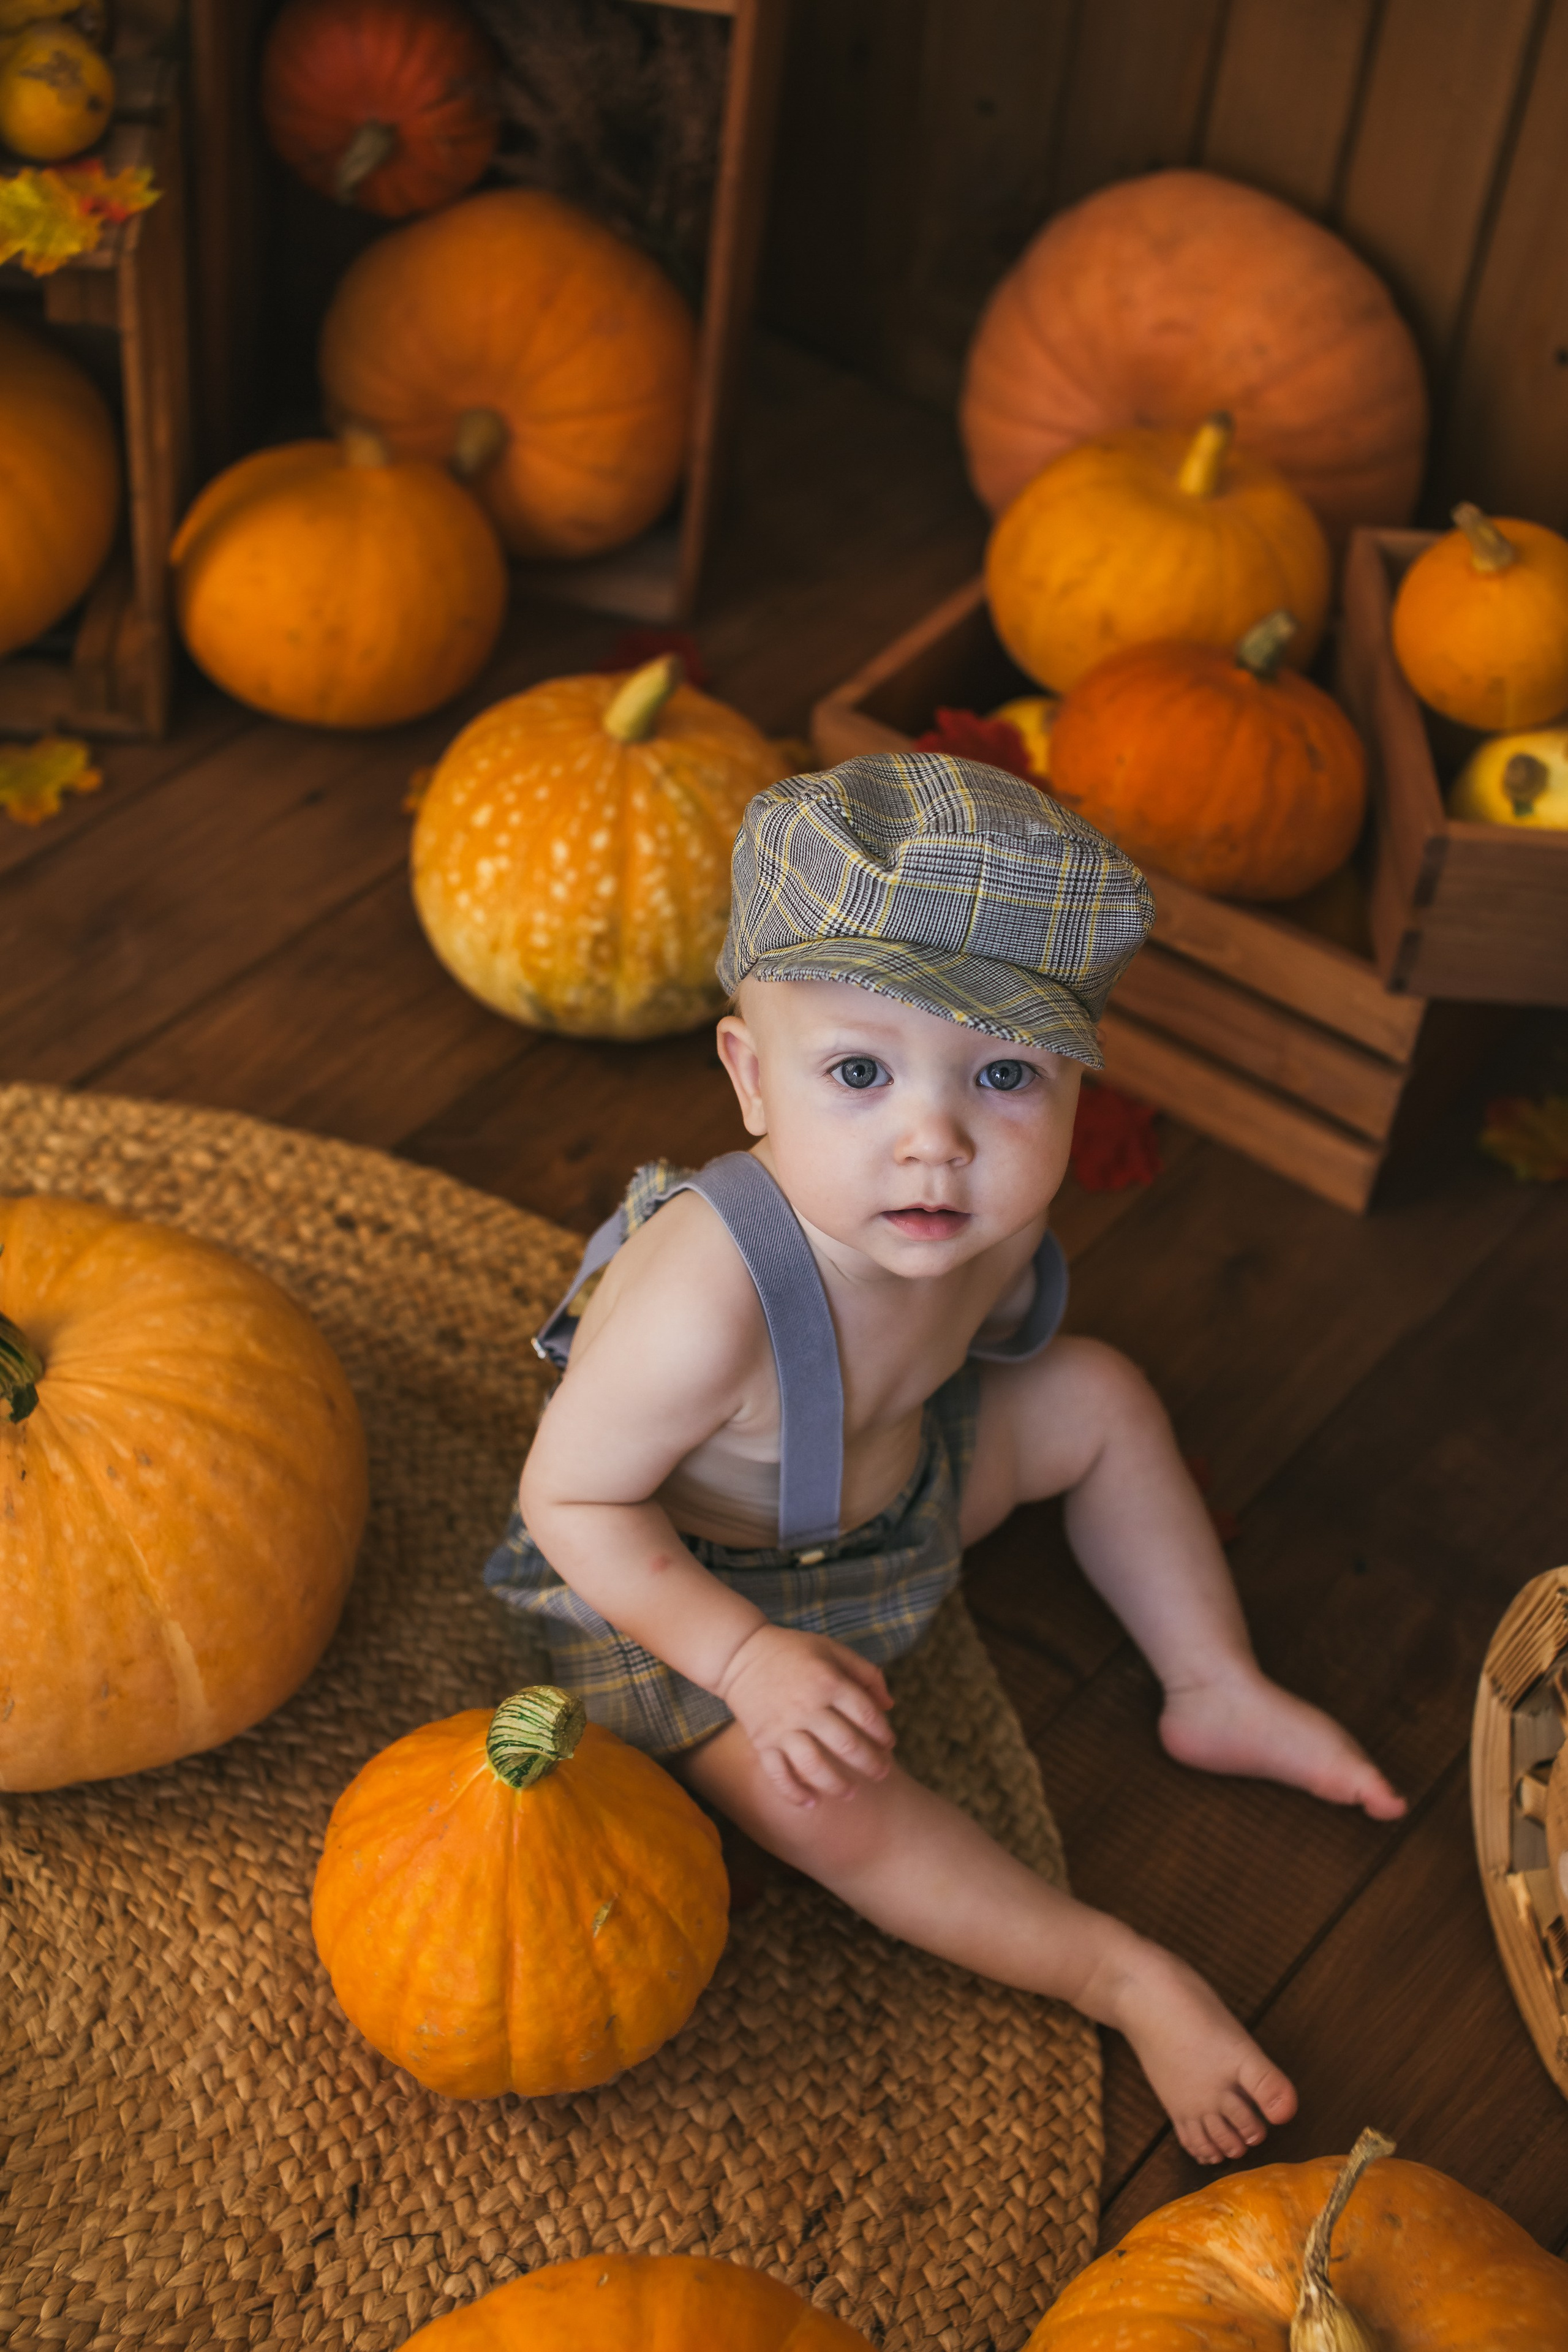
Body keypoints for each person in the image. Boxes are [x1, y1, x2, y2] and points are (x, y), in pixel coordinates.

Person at [486, 752, 1405, 2166]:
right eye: (856, 1070)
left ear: (1077, 1086)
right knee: (822, 1802)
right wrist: (742, 1660)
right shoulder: (704, 1300)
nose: (936, 1139)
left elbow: (963, 1367)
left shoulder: (986, 1219)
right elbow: (568, 1499)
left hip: (891, 1500)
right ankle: (1116, 1973)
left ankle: (1212, 1685)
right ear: (748, 1075)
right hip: (682, 1584)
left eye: (1005, 1074)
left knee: (1097, 1395)